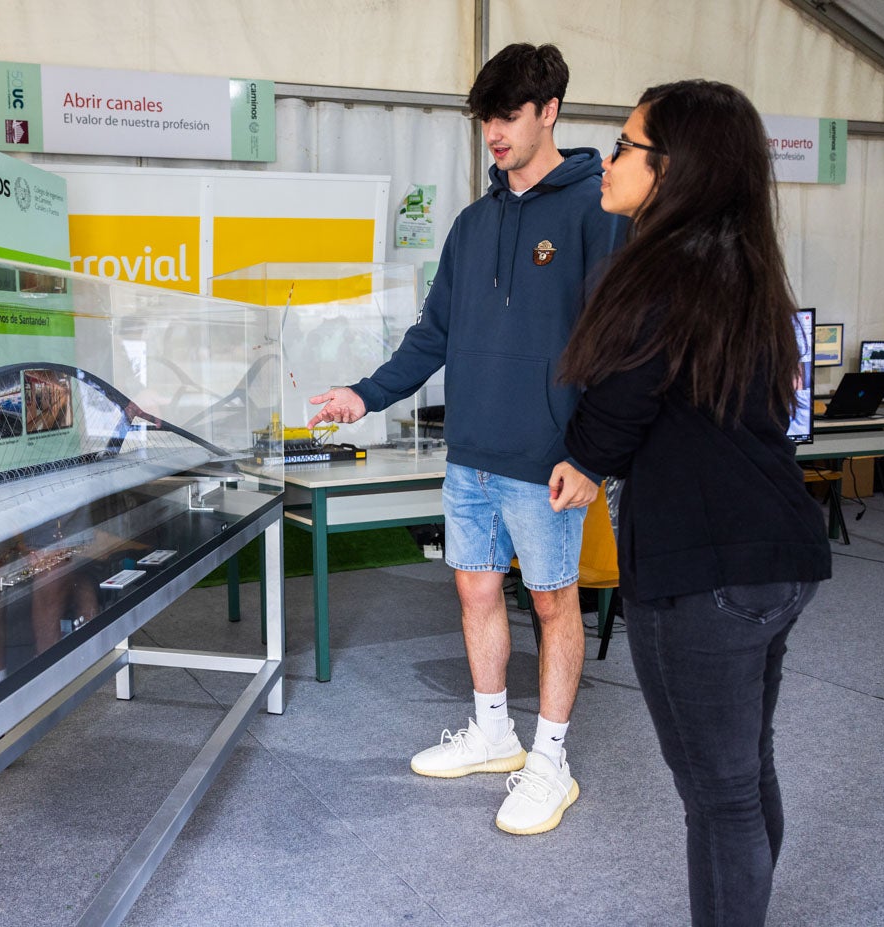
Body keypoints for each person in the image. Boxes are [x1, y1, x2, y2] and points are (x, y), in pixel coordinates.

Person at [308, 43, 625, 835]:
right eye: (485, 116)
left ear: (548, 110)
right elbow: (431, 336)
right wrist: (363, 394)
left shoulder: (594, 212)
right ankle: (494, 734)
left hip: (550, 462)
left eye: (508, 115)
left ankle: (549, 762)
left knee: (555, 605)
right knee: (475, 590)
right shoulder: (470, 223)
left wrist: (589, 456)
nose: (493, 131)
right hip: (471, 458)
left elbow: (618, 346)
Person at [554, 80, 832, 926]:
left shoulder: (652, 273)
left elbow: (615, 411)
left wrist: (579, 460)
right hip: (779, 555)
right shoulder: (744, 269)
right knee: (745, 773)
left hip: (702, 569)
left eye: (625, 146)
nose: (606, 160)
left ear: (671, 169)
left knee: (719, 798)